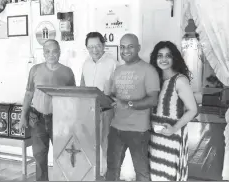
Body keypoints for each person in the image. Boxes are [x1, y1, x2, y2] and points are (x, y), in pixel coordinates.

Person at [106, 33, 160, 181]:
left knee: (141, 172)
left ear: (138, 48)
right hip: (116, 127)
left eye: (130, 47)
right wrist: (104, 99)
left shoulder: (149, 70)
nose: (125, 50)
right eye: (122, 47)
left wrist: (128, 104)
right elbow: (113, 96)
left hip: (138, 130)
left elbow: (153, 100)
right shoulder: (117, 70)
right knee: (112, 169)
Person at [21, 39, 76, 181]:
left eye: (54, 51)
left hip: (59, 120)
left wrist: (71, 121)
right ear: (43, 54)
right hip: (37, 119)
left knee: (62, 155)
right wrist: (23, 116)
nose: (51, 54)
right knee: (39, 156)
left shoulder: (67, 72)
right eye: (47, 51)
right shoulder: (35, 70)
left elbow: (72, 98)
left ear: (59, 52)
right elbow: (28, 94)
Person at [148, 41, 198, 181]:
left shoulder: (180, 80)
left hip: (172, 135)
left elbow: (192, 110)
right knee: (155, 173)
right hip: (155, 136)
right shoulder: (155, 79)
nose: (163, 59)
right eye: (160, 55)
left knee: (169, 175)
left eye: (168, 56)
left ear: (174, 58)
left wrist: (174, 128)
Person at [81, 32, 118, 177]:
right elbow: (82, 85)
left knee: (106, 144)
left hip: (106, 110)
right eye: (90, 47)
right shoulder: (86, 63)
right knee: (90, 142)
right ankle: (93, 173)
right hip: (89, 111)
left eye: (97, 46)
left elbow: (118, 88)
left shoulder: (112, 63)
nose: (94, 50)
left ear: (103, 45)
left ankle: (106, 174)